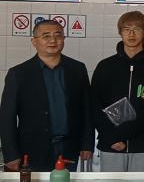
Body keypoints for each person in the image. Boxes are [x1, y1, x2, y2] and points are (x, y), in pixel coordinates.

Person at [1, 19, 93, 172]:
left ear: (63, 39)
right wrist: (10, 154)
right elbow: (6, 117)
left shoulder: (77, 69)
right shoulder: (18, 73)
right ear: (34, 41)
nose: (53, 40)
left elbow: (87, 110)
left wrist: (87, 145)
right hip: (31, 150)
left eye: (58, 35)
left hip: (69, 147)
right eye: (46, 36)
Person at [91, 11, 144, 172]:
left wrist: (125, 134)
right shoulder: (106, 66)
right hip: (112, 144)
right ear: (120, 32)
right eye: (127, 29)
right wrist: (112, 136)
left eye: (137, 29)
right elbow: (95, 105)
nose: (131, 34)